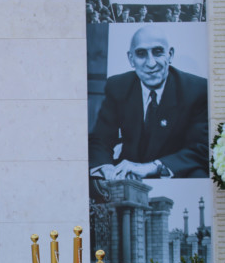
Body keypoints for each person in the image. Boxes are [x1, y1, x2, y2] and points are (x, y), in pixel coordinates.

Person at [89, 25, 209, 180]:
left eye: (158, 52)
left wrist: (153, 167)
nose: (151, 63)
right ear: (131, 59)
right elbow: (100, 139)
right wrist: (105, 168)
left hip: (175, 173)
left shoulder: (197, 90)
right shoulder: (117, 86)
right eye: (141, 54)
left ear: (170, 55)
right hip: (128, 173)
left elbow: (201, 148)